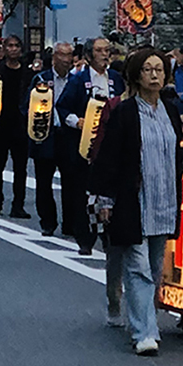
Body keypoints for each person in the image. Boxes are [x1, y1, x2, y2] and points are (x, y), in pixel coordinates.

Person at [91, 47, 183, 356]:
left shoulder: (171, 110)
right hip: (134, 198)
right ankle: (144, 332)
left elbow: (174, 148)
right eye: (148, 70)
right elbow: (109, 157)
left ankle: (146, 320)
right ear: (136, 75)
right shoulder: (124, 111)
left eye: (159, 69)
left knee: (154, 264)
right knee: (137, 267)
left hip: (165, 197)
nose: (154, 75)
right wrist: (104, 198)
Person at [57, 37, 126, 256]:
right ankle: (85, 237)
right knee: (81, 191)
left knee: (108, 190)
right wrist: (77, 121)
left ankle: (109, 235)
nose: (104, 54)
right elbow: (62, 107)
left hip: (111, 144)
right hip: (84, 143)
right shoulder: (78, 80)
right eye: (99, 50)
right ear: (89, 55)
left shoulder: (116, 78)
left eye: (107, 50)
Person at [29, 42, 76, 237]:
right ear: (54, 57)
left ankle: (70, 222)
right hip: (46, 134)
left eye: (69, 56)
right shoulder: (41, 79)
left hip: (68, 135)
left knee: (71, 182)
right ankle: (47, 221)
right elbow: (27, 106)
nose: (66, 60)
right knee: (43, 181)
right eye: (62, 55)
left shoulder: (76, 81)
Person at [0, 35, 31, 218]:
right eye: (9, 46)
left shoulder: (28, 74)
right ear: (4, 49)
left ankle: (18, 205)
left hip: (20, 125)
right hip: (0, 125)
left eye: (16, 46)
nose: (13, 49)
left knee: (21, 168)